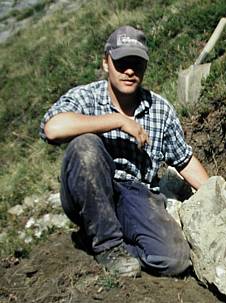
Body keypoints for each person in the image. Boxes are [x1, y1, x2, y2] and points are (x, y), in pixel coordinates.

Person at [39, 25, 209, 277]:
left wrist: (217, 196)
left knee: (174, 260)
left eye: (136, 64)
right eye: (121, 63)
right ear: (106, 63)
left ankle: (112, 243)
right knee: (85, 145)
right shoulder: (86, 97)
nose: (129, 71)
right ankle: (107, 246)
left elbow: (183, 160)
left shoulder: (159, 108)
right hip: (90, 189)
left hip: (134, 193)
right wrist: (117, 121)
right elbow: (53, 129)